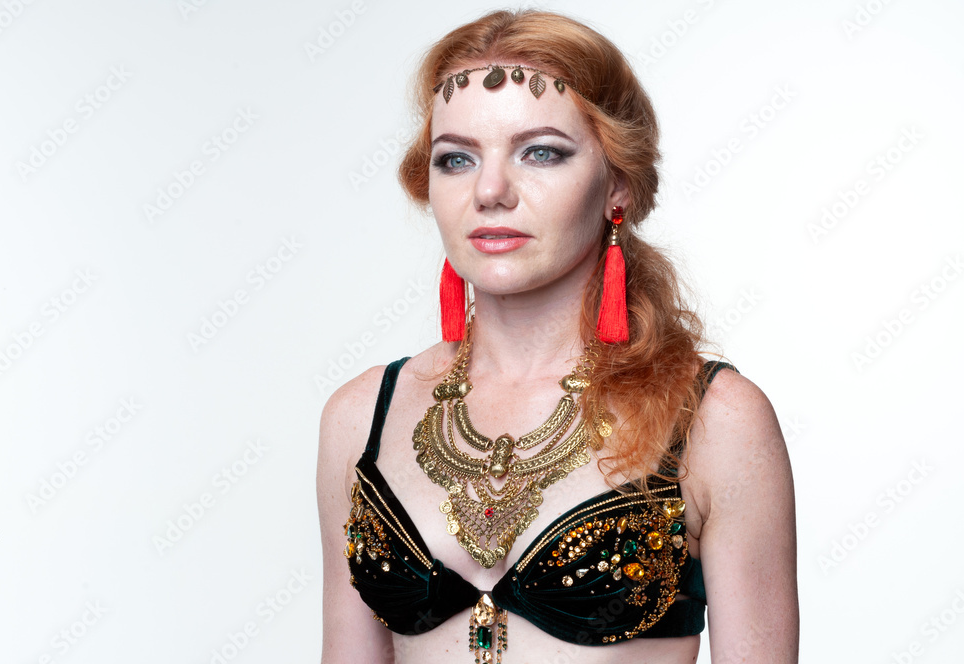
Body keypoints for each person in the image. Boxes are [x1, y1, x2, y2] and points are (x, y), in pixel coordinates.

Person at [317, 9, 797, 663]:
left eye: (540, 152)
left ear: (617, 184)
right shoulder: (359, 416)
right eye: (456, 159)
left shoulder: (716, 418)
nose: (489, 191)